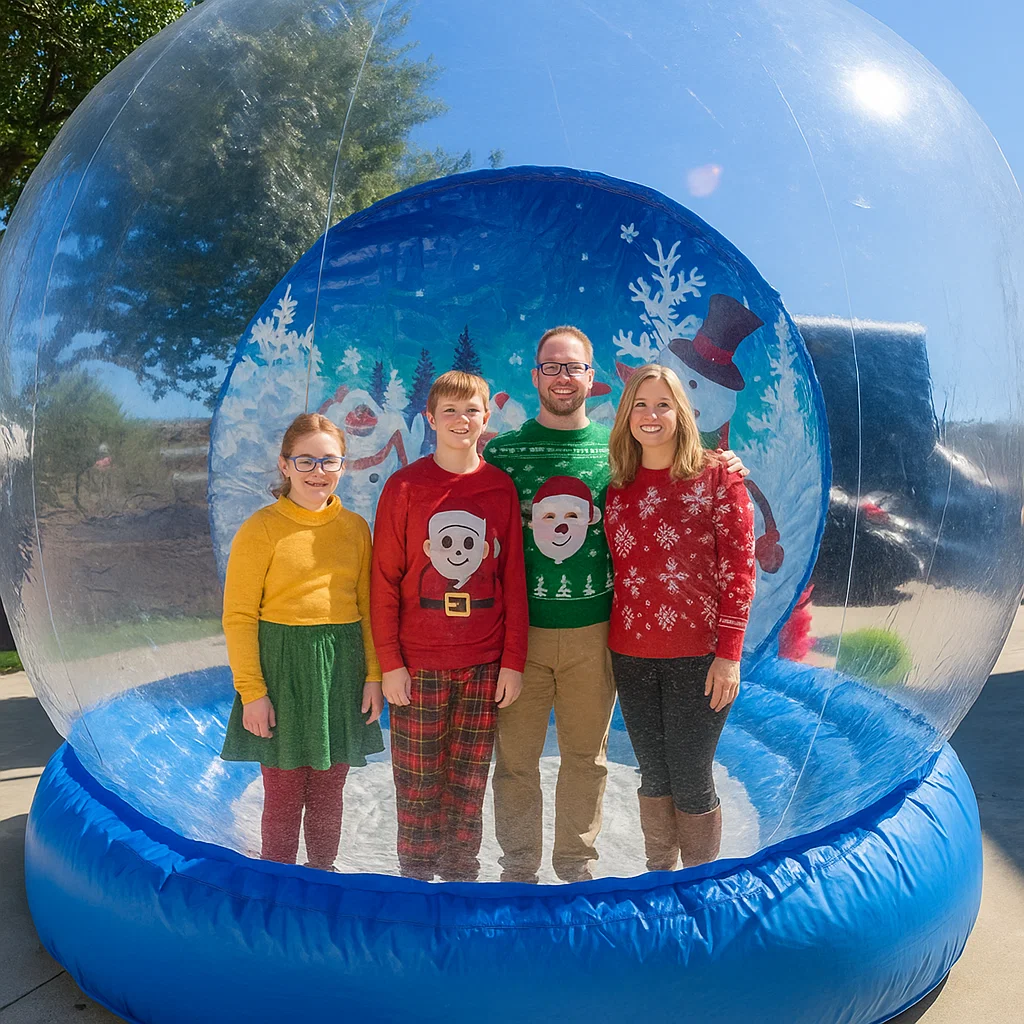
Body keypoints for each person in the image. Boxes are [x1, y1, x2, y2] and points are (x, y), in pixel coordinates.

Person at [485, 326, 747, 883]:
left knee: (590, 760)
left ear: (590, 377)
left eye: (573, 367)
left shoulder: (613, 456)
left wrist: (726, 464)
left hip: (597, 635)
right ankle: (518, 874)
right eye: (551, 367)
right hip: (527, 639)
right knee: (516, 764)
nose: (562, 377)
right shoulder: (505, 456)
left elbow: (729, 554)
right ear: (536, 376)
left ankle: (581, 868)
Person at [371, 371, 527, 881]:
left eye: (472, 411)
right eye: (451, 412)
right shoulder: (405, 486)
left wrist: (513, 662)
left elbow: (513, 583)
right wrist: (390, 664)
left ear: (487, 419)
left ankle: (462, 882)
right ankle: (415, 884)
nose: (462, 421)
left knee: (468, 785)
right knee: (416, 784)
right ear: (431, 419)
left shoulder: (498, 488)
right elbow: (384, 583)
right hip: (418, 669)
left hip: (483, 667)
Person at [605, 364, 756, 870]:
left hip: (699, 657)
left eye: (663, 405)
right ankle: (658, 875)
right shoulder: (618, 486)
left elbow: (739, 569)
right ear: (627, 414)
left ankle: (699, 885)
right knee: (653, 773)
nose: (651, 415)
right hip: (630, 654)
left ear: (683, 413)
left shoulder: (718, 476)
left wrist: (728, 657)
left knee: (691, 774)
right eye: (640, 405)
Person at [220, 413, 384, 870]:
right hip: (282, 667)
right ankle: (279, 884)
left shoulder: (355, 528)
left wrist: (373, 675)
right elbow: (238, 616)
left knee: (330, 790)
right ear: (285, 465)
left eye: (328, 461)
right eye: (306, 461)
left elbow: (368, 607)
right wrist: (253, 693)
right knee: (285, 790)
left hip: (340, 668)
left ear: (343, 467)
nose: (318, 472)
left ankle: (323, 877)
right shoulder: (262, 529)